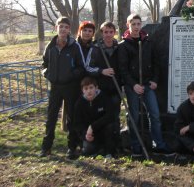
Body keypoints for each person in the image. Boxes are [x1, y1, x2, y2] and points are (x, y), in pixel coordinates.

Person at [118, 13, 174, 157]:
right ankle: (135, 146)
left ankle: (158, 144)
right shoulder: (123, 46)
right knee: (134, 117)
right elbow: (122, 69)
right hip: (132, 87)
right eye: (133, 24)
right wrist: (133, 85)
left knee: (154, 114)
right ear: (128, 25)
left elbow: (156, 63)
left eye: (138, 24)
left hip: (148, 84)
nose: (136, 27)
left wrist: (155, 80)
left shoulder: (148, 42)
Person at [39, 16, 85, 159]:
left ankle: (72, 148)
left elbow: (81, 67)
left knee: (71, 118)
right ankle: (46, 147)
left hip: (71, 87)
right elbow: (44, 64)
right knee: (51, 117)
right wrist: (47, 74)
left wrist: (71, 76)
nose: (63, 29)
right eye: (61, 26)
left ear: (69, 29)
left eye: (66, 27)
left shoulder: (74, 46)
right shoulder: (51, 46)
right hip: (55, 87)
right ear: (56, 28)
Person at [87, 21, 122, 150]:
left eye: (111, 32)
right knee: (101, 118)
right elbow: (88, 67)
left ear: (114, 33)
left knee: (115, 116)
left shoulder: (119, 47)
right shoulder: (95, 48)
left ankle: (117, 144)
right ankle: (101, 144)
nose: (108, 35)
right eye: (105, 32)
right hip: (100, 90)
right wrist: (101, 71)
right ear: (101, 33)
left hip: (115, 89)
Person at [74, 76, 116, 158]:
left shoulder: (104, 97)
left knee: (111, 127)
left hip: (103, 131)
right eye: (86, 89)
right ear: (82, 90)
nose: (89, 91)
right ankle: (97, 150)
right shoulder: (79, 103)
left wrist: (93, 126)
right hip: (89, 135)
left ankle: (108, 152)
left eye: (91, 88)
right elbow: (77, 124)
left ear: (96, 88)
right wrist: (85, 135)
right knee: (88, 150)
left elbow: (110, 116)